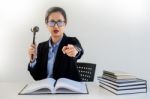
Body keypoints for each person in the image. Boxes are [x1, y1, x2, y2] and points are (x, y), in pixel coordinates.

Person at [28, 7, 84, 81]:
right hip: (46, 89)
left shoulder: (71, 41)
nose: (56, 26)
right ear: (46, 24)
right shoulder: (41, 47)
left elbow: (79, 50)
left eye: (60, 22)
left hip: (67, 90)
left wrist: (75, 51)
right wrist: (33, 60)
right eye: (52, 22)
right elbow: (37, 77)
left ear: (65, 24)